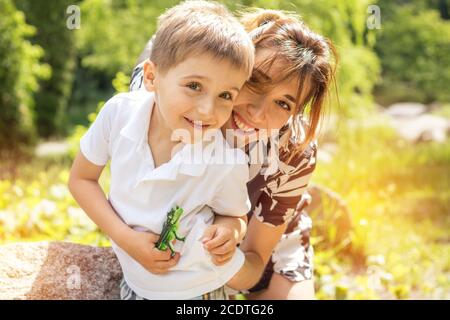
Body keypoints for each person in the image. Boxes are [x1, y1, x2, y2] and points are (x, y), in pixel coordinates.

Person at [131, 8, 337, 299]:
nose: (257, 112)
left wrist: (215, 258)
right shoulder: (171, 97)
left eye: (283, 104)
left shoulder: (294, 150)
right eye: (255, 81)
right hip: (185, 226)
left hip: (260, 241)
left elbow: (254, 260)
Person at [68, 0, 255, 300]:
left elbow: (234, 216)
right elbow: (81, 179)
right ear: (152, 77)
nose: (208, 110)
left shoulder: (225, 161)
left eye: (225, 95)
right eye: (194, 86)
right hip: (136, 282)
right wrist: (125, 238)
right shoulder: (118, 114)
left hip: (199, 288)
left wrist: (230, 232)